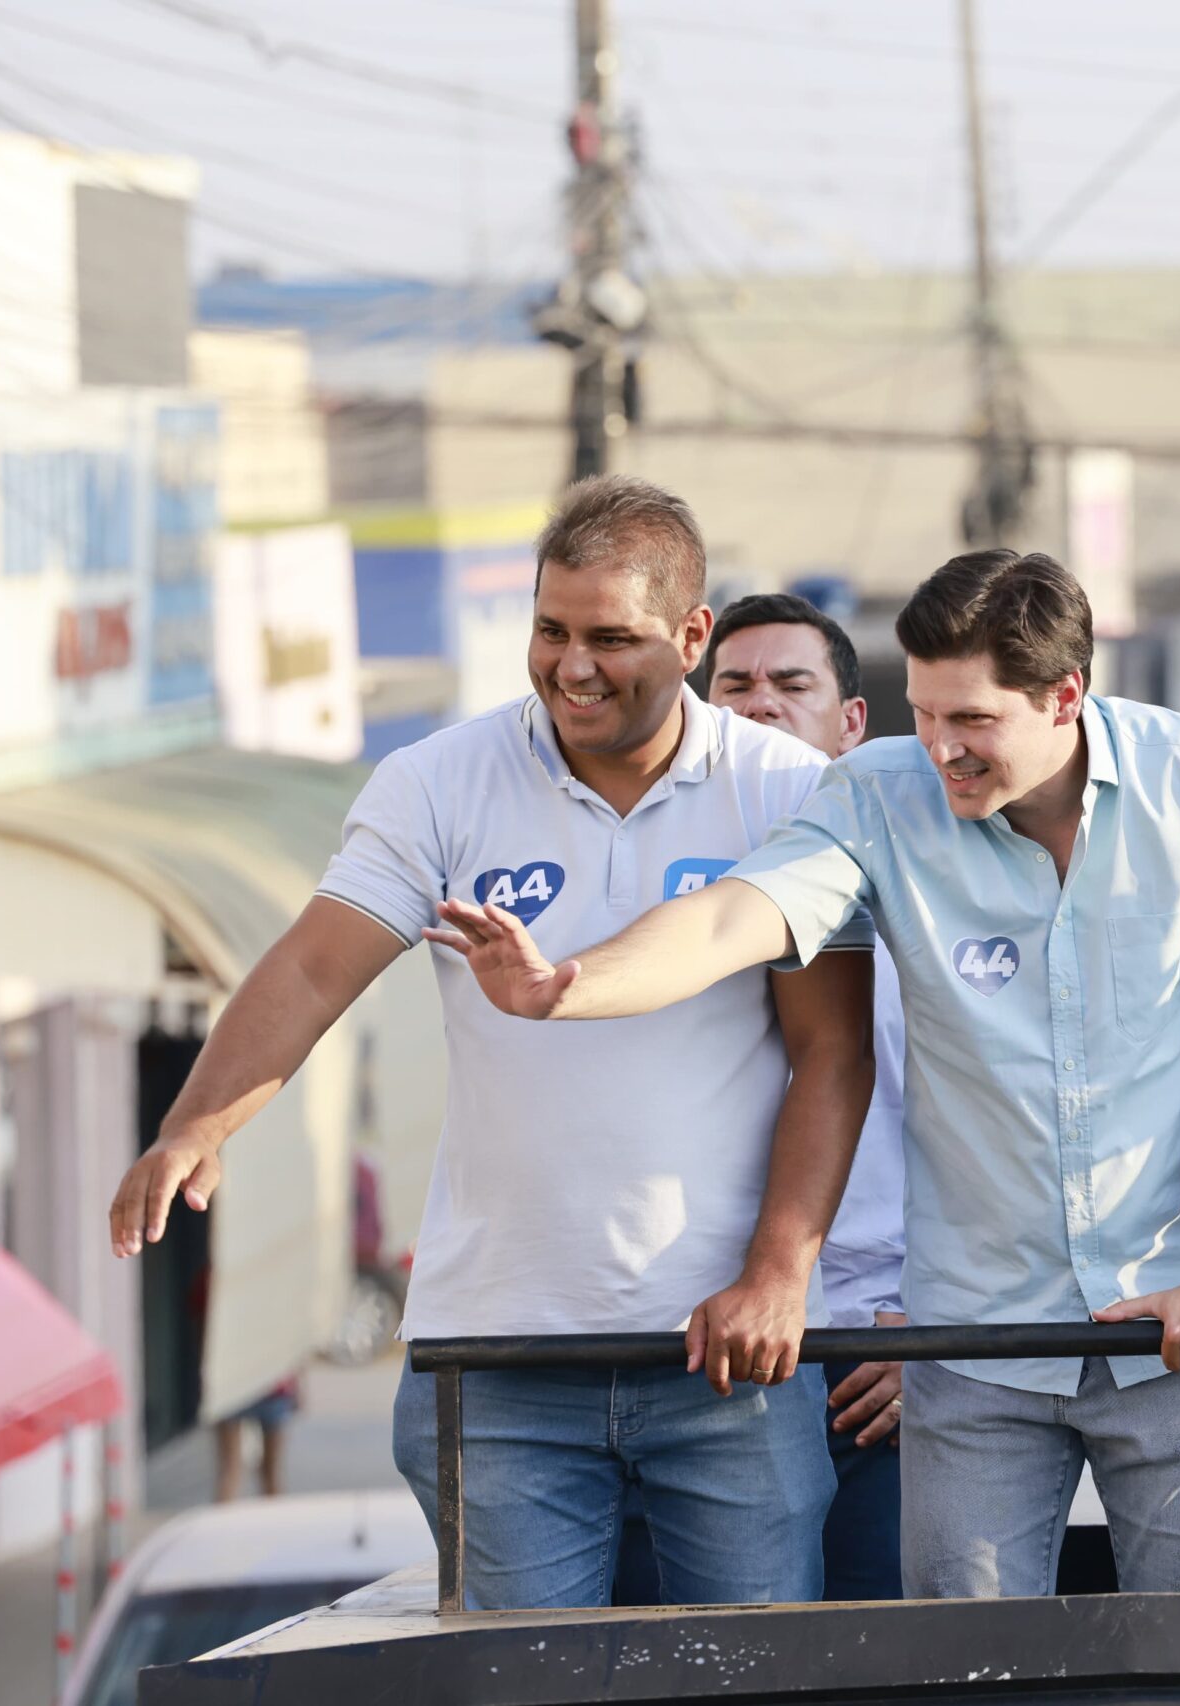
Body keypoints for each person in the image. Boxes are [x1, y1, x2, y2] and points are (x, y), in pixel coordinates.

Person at [431, 549, 1180, 1600]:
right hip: (977, 1344)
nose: (941, 747)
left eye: (973, 721)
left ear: (1065, 695)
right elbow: (729, 915)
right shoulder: (879, 793)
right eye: (925, 712)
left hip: (1179, 1327)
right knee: (965, 1680)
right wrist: (567, 983)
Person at [108, 475, 876, 1610]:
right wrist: (195, 1124)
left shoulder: (794, 790)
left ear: (692, 633)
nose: (572, 666)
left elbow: (834, 1055)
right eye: (549, 629)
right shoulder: (436, 780)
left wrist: (776, 1275)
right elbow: (316, 963)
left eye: (611, 637)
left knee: (751, 1685)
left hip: (724, 1363)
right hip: (498, 1362)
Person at [705, 592, 908, 1602]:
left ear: (851, 722)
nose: (761, 707)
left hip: (880, 1359)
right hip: (716, 1353)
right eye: (733, 686)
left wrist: (935, 1326)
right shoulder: (680, 905)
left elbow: (1003, 1131)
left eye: (793, 685)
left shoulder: (916, 898)